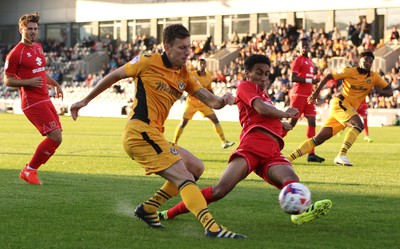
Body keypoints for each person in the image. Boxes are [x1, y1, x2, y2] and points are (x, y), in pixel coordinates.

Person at [69, 24, 245, 239]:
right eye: (182, 48)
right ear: (166, 47)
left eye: (189, 48)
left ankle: (148, 208)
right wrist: (85, 101)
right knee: (183, 177)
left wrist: (223, 100)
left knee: (195, 167)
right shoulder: (147, 60)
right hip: (138, 133)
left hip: (154, 135)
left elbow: (211, 101)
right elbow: (114, 76)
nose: (187, 53)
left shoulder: (185, 75)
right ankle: (212, 228)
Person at [158, 54, 332, 226]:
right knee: (219, 191)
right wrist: (284, 113)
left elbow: (264, 115)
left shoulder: (264, 94)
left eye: (266, 74)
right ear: (247, 73)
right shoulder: (245, 86)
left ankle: (300, 212)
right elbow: (261, 110)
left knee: (291, 177)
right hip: (252, 148)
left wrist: (281, 123)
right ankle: (169, 213)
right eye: (258, 73)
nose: (263, 78)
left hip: (272, 152)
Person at [286, 51, 393, 166]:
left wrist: (381, 91)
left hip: (347, 110)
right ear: (359, 60)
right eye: (365, 60)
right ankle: (341, 155)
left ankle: (289, 158)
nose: (368, 63)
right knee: (358, 125)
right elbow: (328, 76)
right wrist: (316, 92)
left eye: (370, 62)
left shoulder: (374, 77)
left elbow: (390, 91)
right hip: (340, 103)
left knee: (318, 139)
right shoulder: (349, 71)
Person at [3, 12, 63, 185]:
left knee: (57, 136)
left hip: (44, 97)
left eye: (35, 29)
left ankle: (30, 170)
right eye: (29, 29)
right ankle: (29, 170)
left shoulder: (37, 47)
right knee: (55, 136)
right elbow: (7, 80)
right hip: (32, 102)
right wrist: (28, 82)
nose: (33, 32)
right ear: (21, 29)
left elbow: (41, 72)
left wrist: (55, 84)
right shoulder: (15, 54)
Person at [173, 58, 235, 149]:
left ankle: (224, 142)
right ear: (197, 65)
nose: (202, 65)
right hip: (191, 103)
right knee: (183, 123)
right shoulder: (191, 75)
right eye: (200, 64)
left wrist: (216, 100)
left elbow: (210, 90)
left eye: (203, 64)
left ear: (206, 66)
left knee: (215, 120)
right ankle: (174, 143)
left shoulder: (208, 77)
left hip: (204, 103)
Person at [282, 38, 325, 163]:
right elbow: (293, 77)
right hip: (298, 95)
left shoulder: (310, 61)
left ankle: (311, 154)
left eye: (307, 45)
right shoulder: (298, 60)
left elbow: (308, 78)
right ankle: (273, 143)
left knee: (312, 122)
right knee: (292, 123)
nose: (305, 48)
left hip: (308, 96)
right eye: (303, 46)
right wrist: (310, 81)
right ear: (299, 48)